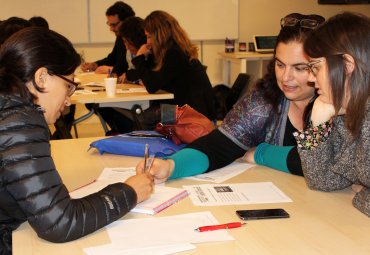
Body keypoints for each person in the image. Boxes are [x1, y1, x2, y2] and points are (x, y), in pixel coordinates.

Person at [0, 27, 153, 255]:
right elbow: (60, 222)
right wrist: (129, 192)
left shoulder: (10, 111)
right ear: (41, 77)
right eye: (68, 85)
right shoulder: (20, 123)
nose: (69, 100)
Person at [136, 13, 325, 182]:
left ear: (324, 67)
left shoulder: (337, 106)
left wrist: (261, 152)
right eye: (280, 65)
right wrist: (171, 166)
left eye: (300, 68)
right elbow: (219, 145)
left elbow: (315, 159)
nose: (285, 77)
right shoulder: (263, 100)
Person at [293, 12, 370, 216]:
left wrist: (363, 194)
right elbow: (322, 180)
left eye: (315, 67)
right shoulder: (345, 112)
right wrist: (316, 126)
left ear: (347, 65)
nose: (310, 78)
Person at [80, 1, 134, 76]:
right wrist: (96, 65)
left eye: (114, 25)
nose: (111, 29)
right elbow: (113, 58)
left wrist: (110, 69)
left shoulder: (139, 37)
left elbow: (132, 67)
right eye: (109, 25)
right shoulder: (121, 36)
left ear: (127, 21)